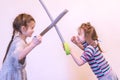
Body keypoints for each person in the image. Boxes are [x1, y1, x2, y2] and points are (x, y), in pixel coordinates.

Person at [0, 13, 42, 80]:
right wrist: (33, 44)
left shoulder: (19, 40)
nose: (33, 30)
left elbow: (23, 48)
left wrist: (32, 42)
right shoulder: (19, 42)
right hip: (11, 76)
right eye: (32, 28)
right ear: (23, 28)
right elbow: (19, 55)